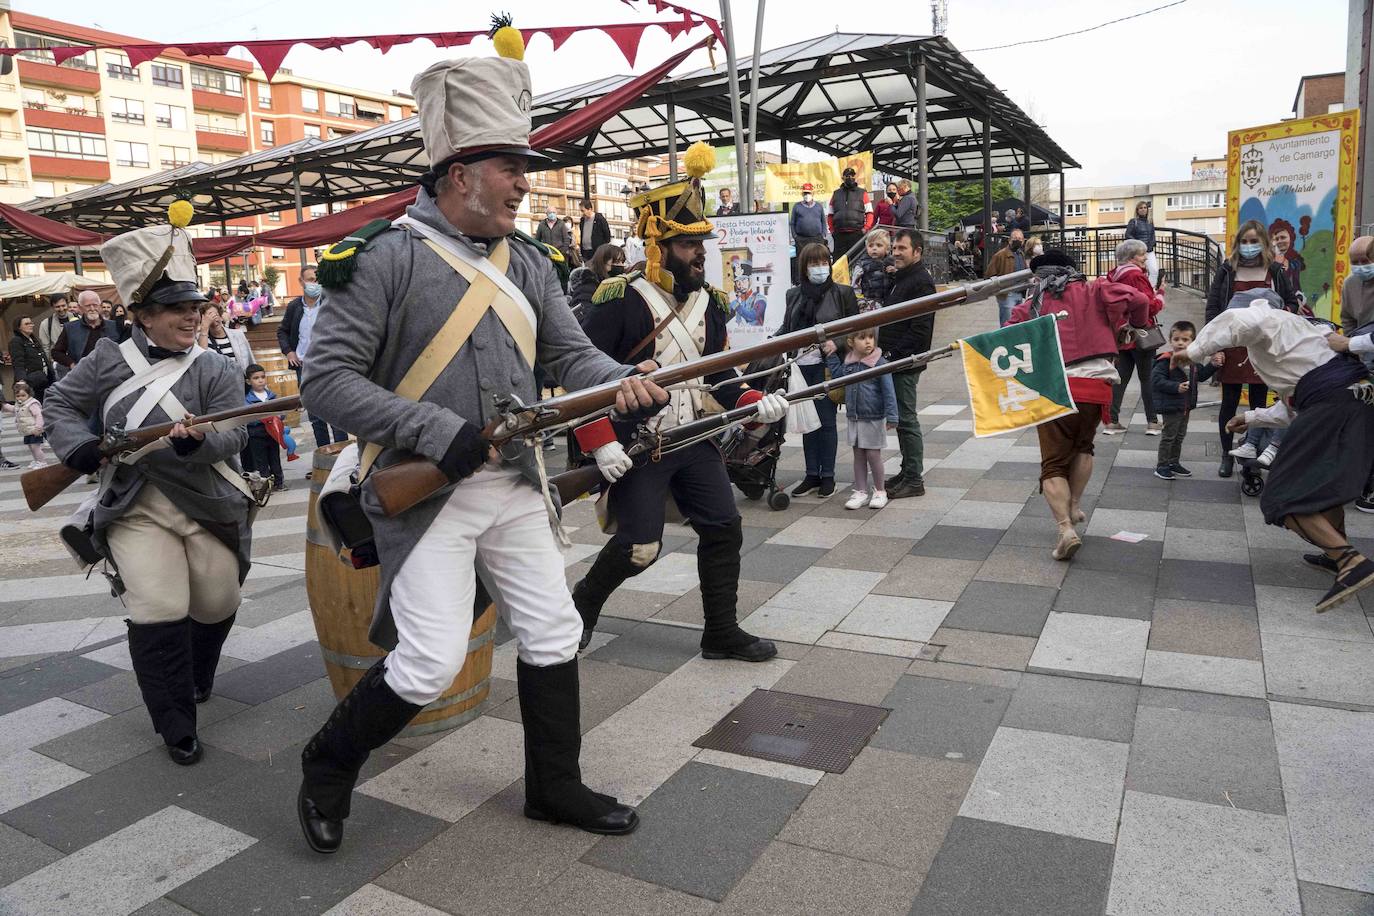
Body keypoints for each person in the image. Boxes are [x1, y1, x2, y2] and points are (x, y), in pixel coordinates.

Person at [295, 48, 667, 854]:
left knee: (555, 631)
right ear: (459, 173)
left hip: (517, 485)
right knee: (427, 666)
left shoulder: (527, 260)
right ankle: (326, 764)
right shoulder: (382, 259)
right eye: (511, 167)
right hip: (423, 494)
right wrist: (437, 432)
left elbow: (572, 358)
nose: (525, 183)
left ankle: (553, 787)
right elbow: (324, 380)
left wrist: (626, 383)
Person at [44, 205, 253, 767]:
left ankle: (198, 674)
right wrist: (79, 447)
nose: (190, 318)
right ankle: (175, 721)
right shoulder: (109, 358)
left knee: (218, 600)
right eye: (175, 309)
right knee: (159, 605)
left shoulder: (214, 367)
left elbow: (233, 432)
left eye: (194, 307)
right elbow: (60, 403)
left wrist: (196, 444)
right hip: (136, 505)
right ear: (141, 314)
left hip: (205, 500)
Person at [577, 141, 789, 664]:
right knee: (639, 549)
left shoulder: (709, 303)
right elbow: (578, 382)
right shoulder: (617, 299)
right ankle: (580, 606)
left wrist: (754, 400)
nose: (701, 253)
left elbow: (717, 376)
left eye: (702, 243)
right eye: (689, 244)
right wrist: (600, 443)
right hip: (640, 444)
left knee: (725, 527)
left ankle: (721, 631)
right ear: (659, 244)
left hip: (694, 440)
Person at [1178, 293, 1374, 612]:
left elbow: (1238, 322)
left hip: (1333, 405)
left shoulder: (1266, 317)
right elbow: (1297, 399)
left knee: (1283, 496)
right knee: (1327, 485)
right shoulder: (1302, 331)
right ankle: (1335, 553)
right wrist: (1252, 417)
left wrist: (1193, 351)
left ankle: (1351, 560)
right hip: (1357, 401)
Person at [1009, 249, 1151, 559]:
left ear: (1039, 276)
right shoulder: (1097, 288)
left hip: (1057, 388)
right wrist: (1133, 328)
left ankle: (1065, 529)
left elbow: (1008, 338)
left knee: (1052, 464)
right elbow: (1140, 300)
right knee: (1084, 446)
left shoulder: (1031, 305)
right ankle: (1074, 505)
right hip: (1098, 385)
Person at [1205, 219, 1297, 477]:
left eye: (1254, 241)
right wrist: (1216, 346)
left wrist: (1277, 314)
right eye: (1244, 242)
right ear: (1237, 244)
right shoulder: (1226, 270)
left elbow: (1292, 304)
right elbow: (1213, 310)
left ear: (1263, 243)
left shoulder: (1275, 272)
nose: (1248, 246)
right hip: (1232, 346)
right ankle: (1226, 455)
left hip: (1264, 347)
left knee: (1259, 403)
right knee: (1229, 403)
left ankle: (1252, 453)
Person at [779, 242, 860, 498]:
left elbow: (855, 329)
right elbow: (787, 328)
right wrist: (771, 343)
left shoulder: (843, 293)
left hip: (827, 366)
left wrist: (835, 343)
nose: (819, 268)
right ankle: (811, 474)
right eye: (814, 263)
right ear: (804, 267)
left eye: (824, 262)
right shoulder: (793, 295)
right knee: (807, 422)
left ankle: (828, 476)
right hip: (800, 367)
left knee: (825, 422)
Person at [883, 229, 936, 499]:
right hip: (896, 360)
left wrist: (895, 355)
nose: (896, 252)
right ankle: (907, 470)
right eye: (895, 247)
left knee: (906, 419)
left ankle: (914, 479)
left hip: (905, 362)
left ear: (917, 252)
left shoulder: (921, 282)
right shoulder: (901, 279)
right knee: (902, 421)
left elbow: (920, 330)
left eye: (902, 248)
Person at [278, 264, 348, 454]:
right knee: (316, 415)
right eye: (310, 280)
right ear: (301, 282)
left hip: (329, 365)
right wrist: (289, 351)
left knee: (335, 410)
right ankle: (324, 456)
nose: (314, 284)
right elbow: (283, 331)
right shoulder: (294, 307)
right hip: (304, 366)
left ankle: (342, 456)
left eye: (317, 280)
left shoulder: (330, 304)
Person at [827, 328, 898, 509]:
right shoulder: (849, 363)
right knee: (858, 454)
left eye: (871, 338)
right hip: (855, 416)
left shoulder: (879, 363)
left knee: (873, 455)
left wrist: (892, 415)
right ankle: (860, 491)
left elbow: (889, 391)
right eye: (862, 338)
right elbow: (837, 376)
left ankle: (880, 491)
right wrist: (831, 354)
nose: (868, 342)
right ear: (851, 342)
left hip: (873, 416)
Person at [1103, 239, 1165, 435]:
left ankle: (1112, 421)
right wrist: (1161, 293)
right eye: (1141, 254)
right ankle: (1153, 422)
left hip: (1122, 335)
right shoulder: (1136, 276)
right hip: (1141, 332)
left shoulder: (1113, 276)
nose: (1145, 257)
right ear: (1131, 258)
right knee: (1147, 378)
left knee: (1120, 378)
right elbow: (1150, 305)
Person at [1150, 321, 1221, 480]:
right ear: (1170, 341)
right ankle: (1162, 465)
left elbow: (1201, 376)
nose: (1180, 343)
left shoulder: (1193, 360)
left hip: (1185, 406)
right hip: (1171, 406)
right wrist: (1176, 387)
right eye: (1176, 339)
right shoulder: (1166, 360)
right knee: (1169, 436)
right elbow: (1156, 381)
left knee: (1179, 436)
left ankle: (1173, 462)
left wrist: (1213, 365)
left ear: (1193, 342)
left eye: (1185, 339)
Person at [51, 290, 120, 373]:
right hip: (83, 376)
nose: (92, 309)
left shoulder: (114, 326)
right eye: (87, 306)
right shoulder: (70, 328)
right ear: (80, 308)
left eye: (95, 305)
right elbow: (56, 352)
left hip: (111, 374)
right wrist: (72, 364)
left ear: (99, 306)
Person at [243, 364, 286, 491]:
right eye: (256, 378)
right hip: (256, 434)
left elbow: (281, 412)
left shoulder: (271, 396)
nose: (261, 380)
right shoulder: (247, 399)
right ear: (248, 381)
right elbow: (247, 418)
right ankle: (267, 485)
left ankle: (279, 482)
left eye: (262, 377)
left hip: (272, 433)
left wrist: (279, 416)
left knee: (275, 458)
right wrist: (263, 418)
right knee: (261, 461)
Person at [567, 242, 626, 321]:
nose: (621, 265)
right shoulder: (587, 284)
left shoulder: (615, 284)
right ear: (603, 262)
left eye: (622, 262)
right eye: (617, 262)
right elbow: (585, 314)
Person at [827, 167, 874, 261]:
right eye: (847, 176)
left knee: (857, 261)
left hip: (857, 233)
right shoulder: (836, 194)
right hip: (839, 235)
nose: (850, 177)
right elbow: (830, 214)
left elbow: (869, 213)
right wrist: (832, 230)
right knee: (839, 263)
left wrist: (866, 228)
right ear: (843, 178)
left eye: (852, 175)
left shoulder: (862, 193)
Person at [984, 228, 1027, 325]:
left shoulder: (1021, 254)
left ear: (1023, 241)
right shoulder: (1000, 255)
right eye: (1015, 238)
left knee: (1017, 322)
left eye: (1020, 239)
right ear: (1009, 240)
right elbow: (989, 274)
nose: (1018, 240)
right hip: (1007, 294)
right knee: (1006, 322)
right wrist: (999, 290)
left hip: (1019, 292)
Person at [198, 302, 254, 376]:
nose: (214, 318)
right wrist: (204, 328)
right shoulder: (200, 338)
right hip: (218, 385)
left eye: (216, 314)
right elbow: (202, 363)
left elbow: (251, 361)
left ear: (221, 317)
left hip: (240, 383)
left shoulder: (238, 335)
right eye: (209, 316)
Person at [9, 315, 53, 402]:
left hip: (43, 380)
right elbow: (18, 362)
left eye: (31, 323)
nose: (31, 325)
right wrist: (21, 381)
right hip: (31, 382)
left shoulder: (32, 339)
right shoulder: (16, 341)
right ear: (19, 327)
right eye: (27, 323)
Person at [789, 183, 830, 274]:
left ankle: (819, 275)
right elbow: (792, 223)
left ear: (813, 193)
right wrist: (795, 237)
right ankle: (800, 280)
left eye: (808, 193)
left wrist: (823, 234)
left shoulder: (818, 206)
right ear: (802, 194)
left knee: (818, 258)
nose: (807, 195)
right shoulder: (797, 206)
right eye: (805, 193)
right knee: (802, 260)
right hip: (801, 239)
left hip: (817, 238)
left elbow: (823, 221)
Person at [851, 228, 895, 309]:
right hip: (869, 303)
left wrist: (895, 272)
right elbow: (855, 284)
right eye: (871, 245)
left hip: (889, 301)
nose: (874, 248)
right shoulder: (862, 264)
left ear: (887, 249)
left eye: (879, 245)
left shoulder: (892, 262)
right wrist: (860, 300)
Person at [1339, 236, 1374, 334]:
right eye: (1354, 262)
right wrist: (1349, 342)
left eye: (1365, 261)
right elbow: (1347, 320)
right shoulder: (1349, 283)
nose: (1360, 266)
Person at [11, 379, 50, 467]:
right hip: (27, 430)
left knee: (35, 447)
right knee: (31, 447)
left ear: (29, 394)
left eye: (23, 395)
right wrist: (4, 406)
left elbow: (39, 415)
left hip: (34, 430)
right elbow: (13, 409)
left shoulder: (32, 404)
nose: (20, 398)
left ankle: (42, 462)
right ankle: (37, 461)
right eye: (18, 396)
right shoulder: (19, 404)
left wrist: (38, 428)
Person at [37, 295, 78, 365]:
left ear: (67, 304)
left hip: (76, 361)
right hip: (57, 363)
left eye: (63, 305)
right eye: (57, 307)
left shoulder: (79, 319)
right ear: (52, 307)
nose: (61, 309)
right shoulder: (45, 324)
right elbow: (45, 347)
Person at [1125, 201, 1158, 286]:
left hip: (1149, 251)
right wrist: (1139, 245)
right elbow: (1128, 235)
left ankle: (1150, 290)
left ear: (1147, 209)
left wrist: (1150, 245)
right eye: (1141, 208)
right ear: (1137, 210)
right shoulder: (1133, 221)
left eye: (1145, 208)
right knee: (1140, 273)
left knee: (1154, 271)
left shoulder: (1150, 221)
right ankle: (1141, 291)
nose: (1143, 209)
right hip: (1138, 252)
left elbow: (1153, 235)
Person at [1270, 218, 1305, 298]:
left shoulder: (1294, 265)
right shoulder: (1267, 265)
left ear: (1291, 238)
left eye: (1283, 237)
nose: (1279, 241)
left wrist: (1298, 301)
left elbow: (1297, 289)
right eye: (1276, 239)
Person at [578, 199, 611, 264]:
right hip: (585, 252)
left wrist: (601, 248)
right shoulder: (582, 220)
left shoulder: (599, 219)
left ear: (590, 209)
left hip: (597, 251)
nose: (582, 213)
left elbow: (607, 235)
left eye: (583, 211)